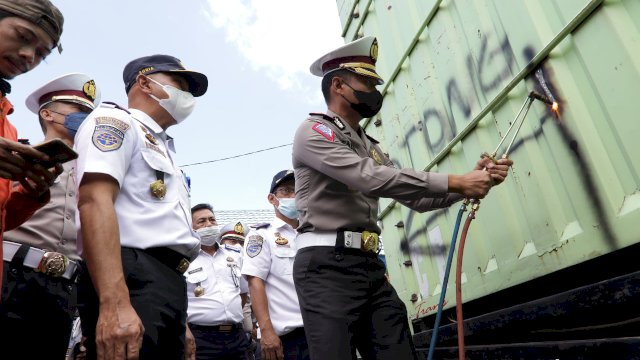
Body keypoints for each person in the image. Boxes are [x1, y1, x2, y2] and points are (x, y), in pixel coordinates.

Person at [291, 36, 513, 360]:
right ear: (338, 85)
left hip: (368, 265)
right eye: (366, 82)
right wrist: (459, 181)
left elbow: (418, 199)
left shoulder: (371, 146)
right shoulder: (314, 132)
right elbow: (368, 177)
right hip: (326, 267)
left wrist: (472, 182)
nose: (374, 91)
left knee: (398, 351)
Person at [75, 54, 208, 359]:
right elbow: (95, 201)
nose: (186, 97)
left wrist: (180, 320)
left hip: (166, 281)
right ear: (145, 82)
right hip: (129, 275)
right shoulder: (116, 121)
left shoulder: (163, 146)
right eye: (180, 85)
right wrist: (114, 302)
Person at [1, 73, 99, 358]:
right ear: (48, 113)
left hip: (63, 288)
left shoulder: (96, 173)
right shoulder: (15, 155)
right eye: (79, 111)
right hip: (11, 275)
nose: (86, 118)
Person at [0, 0, 65, 287]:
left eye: (42, 53)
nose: (28, 55)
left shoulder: (9, 128)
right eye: (23, 37)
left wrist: (30, 194)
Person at [242, 170, 309, 360]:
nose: (294, 196)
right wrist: (266, 331)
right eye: (287, 191)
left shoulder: (313, 232)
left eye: (299, 191)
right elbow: (255, 283)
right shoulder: (262, 236)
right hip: (288, 338)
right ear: (272, 199)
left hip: (324, 330)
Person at [186, 218, 251, 360]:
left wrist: (225, 314)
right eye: (201, 221)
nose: (208, 224)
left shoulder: (234, 258)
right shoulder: (185, 258)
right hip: (202, 337)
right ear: (191, 228)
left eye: (212, 220)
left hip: (235, 336)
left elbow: (242, 294)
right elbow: (177, 299)